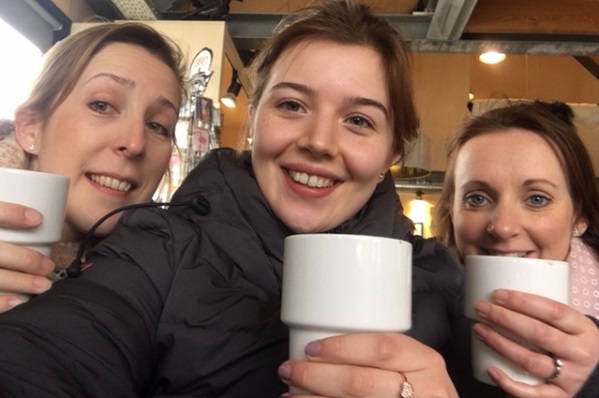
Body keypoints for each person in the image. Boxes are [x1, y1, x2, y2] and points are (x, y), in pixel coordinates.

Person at [0, 1, 462, 397]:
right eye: (292, 105)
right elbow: (50, 354)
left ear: (391, 153)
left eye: (359, 120)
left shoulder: (446, 287)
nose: (320, 141)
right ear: (255, 122)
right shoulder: (161, 245)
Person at [0, 22, 186, 311]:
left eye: (157, 126)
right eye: (102, 105)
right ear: (31, 127)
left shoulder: (161, 276)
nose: (136, 143)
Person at [435, 101, 599, 397]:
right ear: (451, 213)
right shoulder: (425, 327)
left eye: (537, 199)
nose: (503, 227)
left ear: (580, 216)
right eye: (476, 199)